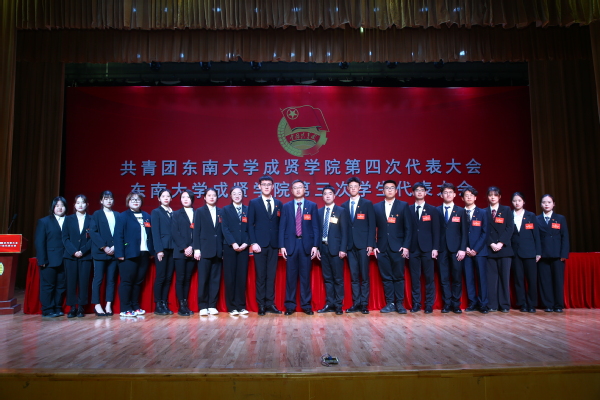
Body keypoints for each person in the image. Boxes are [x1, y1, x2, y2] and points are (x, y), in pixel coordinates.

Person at [279, 180, 319, 315]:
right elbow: (282, 227)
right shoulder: (286, 206)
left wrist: (315, 245)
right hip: (291, 245)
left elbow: (315, 227)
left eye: (300, 187)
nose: (297, 190)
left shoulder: (312, 206)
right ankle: (290, 305)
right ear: (291, 190)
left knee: (305, 277)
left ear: (304, 189)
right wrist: (282, 246)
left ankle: (306, 305)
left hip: (306, 245)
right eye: (295, 188)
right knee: (290, 277)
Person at [373, 180, 413, 314]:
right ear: (383, 191)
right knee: (386, 277)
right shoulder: (376, 207)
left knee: (398, 276)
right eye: (387, 188)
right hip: (382, 247)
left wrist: (406, 246)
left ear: (396, 191)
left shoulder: (403, 205)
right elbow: (372, 228)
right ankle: (390, 303)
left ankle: (399, 304)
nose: (389, 190)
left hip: (398, 247)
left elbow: (408, 228)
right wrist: (374, 245)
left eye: (392, 188)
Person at [115, 191, 154, 317]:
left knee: (138, 281)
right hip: (128, 253)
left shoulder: (146, 216)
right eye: (133, 200)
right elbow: (118, 236)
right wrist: (120, 253)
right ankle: (125, 308)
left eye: (138, 200)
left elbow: (150, 235)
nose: (135, 202)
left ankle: (135, 306)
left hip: (144, 253)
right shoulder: (123, 216)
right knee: (127, 281)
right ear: (128, 202)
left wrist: (151, 251)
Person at [247, 175, 283, 316]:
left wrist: (280, 244)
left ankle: (270, 303)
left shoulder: (278, 203)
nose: (266, 187)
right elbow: (250, 225)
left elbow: (280, 226)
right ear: (259, 186)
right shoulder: (254, 203)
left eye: (269, 184)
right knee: (261, 276)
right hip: (259, 245)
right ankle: (261, 304)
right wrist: (253, 243)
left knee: (271, 275)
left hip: (273, 245)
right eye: (264, 184)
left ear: (273, 186)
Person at [341, 177, 376, 314]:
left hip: (363, 245)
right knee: (354, 276)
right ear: (347, 189)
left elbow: (372, 225)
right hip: (350, 246)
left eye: (355, 186)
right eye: (351, 186)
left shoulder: (367, 204)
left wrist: (371, 244)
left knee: (364, 276)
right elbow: (344, 228)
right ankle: (356, 303)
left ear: (360, 188)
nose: (353, 188)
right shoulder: (344, 206)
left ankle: (364, 305)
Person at [316, 185, 349, 316]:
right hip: (323, 248)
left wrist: (343, 249)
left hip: (336, 250)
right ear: (322, 197)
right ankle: (329, 304)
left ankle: (338, 305)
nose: (328, 196)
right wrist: (317, 248)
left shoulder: (341, 211)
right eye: (325, 194)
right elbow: (317, 232)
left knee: (338, 279)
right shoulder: (319, 212)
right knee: (328, 278)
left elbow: (345, 232)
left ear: (334, 196)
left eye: (330, 193)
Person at [407, 182, 439, 314]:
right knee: (415, 278)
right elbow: (406, 230)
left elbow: (436, 231)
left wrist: (435, 248)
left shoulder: (432, 210)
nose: (419, 192)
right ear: (412, 193)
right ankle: (416, 304)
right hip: (413, 248)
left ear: (425, 193)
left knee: (429, 278)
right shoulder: (408, 209)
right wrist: (406, 247)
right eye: (417, 190)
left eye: (422, 190)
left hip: (428, 249)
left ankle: (429, 304)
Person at [35, 196, 68, 318]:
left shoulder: (70, 221)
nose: (60, 208)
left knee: (61, 285)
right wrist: (42, 259)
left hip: (65, 259)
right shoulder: (44, 222)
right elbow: (39, 242)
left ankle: (57, 307)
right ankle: (47, 309)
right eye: (57, 206)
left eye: (62, 205)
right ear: (53, 207)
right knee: (48, 285)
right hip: (49, 259)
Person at [437, 183, 468, 313]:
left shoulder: (461, 211)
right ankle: (447, 303)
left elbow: (464, 232)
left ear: (455, 194)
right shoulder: (437, 210)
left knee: (456, 277)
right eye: (445, 192)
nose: (448, 194)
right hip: (441, 249)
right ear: (441, 195)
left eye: (450, 192)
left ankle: (456, 304)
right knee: (443, 278)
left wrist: (462, 249)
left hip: (456, 249)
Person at [193, 188, 223, 316]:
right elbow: (196, 231)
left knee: (215, 280)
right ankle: (203, 306)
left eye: (214, 195)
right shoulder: (200, 211)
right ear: (204, 197)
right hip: (204, 250)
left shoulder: (221, 212)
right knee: (204, 279)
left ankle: (212, 305)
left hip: (218, 250)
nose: (212, 197)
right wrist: (196, 249)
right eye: (209, 195)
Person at [537, 194, 570, 313]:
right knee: (545, 281)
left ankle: (558, 305)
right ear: (541, 204)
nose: (546, 204)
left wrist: (564, 254)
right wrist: (537, 253)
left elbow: (564, 237)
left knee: (557, 280)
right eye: (544, 202)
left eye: (549, 202)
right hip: (543, 255)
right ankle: (548, 305)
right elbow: (536, 238)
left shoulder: (560, 218)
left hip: (557, 255)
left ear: (553, 204)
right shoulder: (537, 219)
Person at [89, 191, 119, 317]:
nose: (109, 201)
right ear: (101, 201)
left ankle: (108, 304)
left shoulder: (117, 215)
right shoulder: (97, 214)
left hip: (114, 252)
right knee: (98, 279)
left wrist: (115, 246)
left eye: (111, 198)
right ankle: (97, 304)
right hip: (100, 252)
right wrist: (104, 247)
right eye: (106, 199)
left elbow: (120, 232)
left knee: (111, 280)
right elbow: (93, 232)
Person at [62, 195, 93, 318]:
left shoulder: (91, 219)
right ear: (74, 205)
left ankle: (81, 307)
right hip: (70, 256)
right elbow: (65, 238)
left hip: (86, 256)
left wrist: (83, 251)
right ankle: (72, 307)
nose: (80, 205)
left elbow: (93, 238)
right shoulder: (68, 219)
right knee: (70, 282)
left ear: (87, 204)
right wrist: (74, 251)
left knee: (84, 282)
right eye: (78, 203)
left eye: (83, 202)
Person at [221, 186, 250, 316]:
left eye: (239, 193)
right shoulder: (225, 210)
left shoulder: (248, 210)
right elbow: (224, 228)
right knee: (230, 277)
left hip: (244, 248)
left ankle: (241, 306)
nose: (237, 196)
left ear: (242, 195)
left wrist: (246, 243)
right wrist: (233, 243)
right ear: (230, 196)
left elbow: (251, 228)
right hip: (229, 248)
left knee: (241, 277)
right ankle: (231, 306)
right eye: (234, 193)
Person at [460, 187, 489, 314]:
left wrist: (475, 249)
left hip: (480, 251)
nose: (469, 197)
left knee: (482, 278)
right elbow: (459, 233)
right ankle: (472, 302)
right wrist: (465, 247)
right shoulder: (460, 212)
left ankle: (483, 304)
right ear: (462, 198)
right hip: (465, 251)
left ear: (475, 197)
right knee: (469, 278)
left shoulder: (482, 213)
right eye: (466, 195)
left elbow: (485, 233)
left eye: (471, 195)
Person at [511, 192, 541, 313]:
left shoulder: (530, 215)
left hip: (530, 252)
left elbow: (536, 235)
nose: (517, 203)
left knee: (531, 279)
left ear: (524, 202)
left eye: (519, 200)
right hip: (515, 252)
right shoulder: (509, 215)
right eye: (514, 201)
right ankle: (522, 303)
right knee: (518, 279)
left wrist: (538, 252)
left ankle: (531, 304)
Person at [486, 186, 514, 313]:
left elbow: (510, 228)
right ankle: (492, 304)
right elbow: (484, 230)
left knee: (504, 278)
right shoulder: (484, 211)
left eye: (495, 195)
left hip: (504, 249)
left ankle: (504, 304)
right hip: (490, 249)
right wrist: (491, 243)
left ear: (499, 196)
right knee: (491, 279)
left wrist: (501, 243)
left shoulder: (506, 210)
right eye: (490, 195)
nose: (493, 197)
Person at [171, 189, 196, 316]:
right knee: (180, 278)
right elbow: (175, 232)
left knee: (187, 279)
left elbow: (199, 232)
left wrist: (192, 247)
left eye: (188, 197)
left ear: (192, 199)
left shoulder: (197, 213)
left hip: (193, 251)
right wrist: (185, 247)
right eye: (183, 197)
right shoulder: (176, 214)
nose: (185, 199)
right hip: (180, 251)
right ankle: (181, 306)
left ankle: (186, 305)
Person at [151, 189, 175, 315]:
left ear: (171, 198)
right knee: (161, 277)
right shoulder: (156, 212)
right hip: (162, 249)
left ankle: (164, 303)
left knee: (168, 277)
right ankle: (158, 304)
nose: (166, 198)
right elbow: (155, 232)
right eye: (163, 196)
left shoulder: (173, 212)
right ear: (159, 198)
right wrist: (159, 250)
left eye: (168, 196)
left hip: (172, 249)